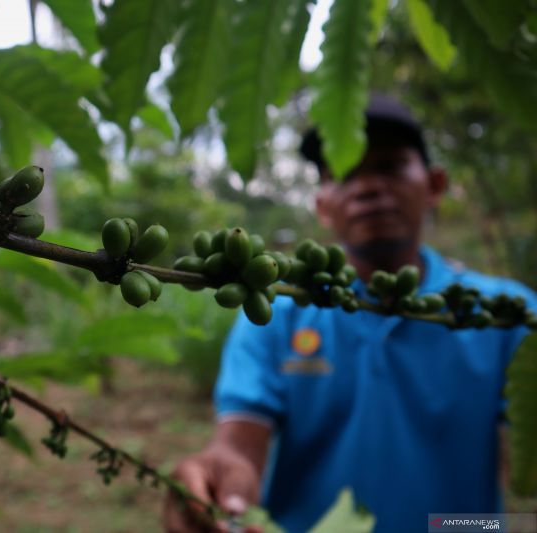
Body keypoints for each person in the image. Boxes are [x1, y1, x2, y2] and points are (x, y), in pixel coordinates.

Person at [163, 94, 537, 533]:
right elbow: (239, 444)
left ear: (434, 185)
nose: (368, 187)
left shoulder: (505, 315)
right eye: (344, 173)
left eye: (389, 166)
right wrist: (219, 477)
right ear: (322, 204)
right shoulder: (276, 314)